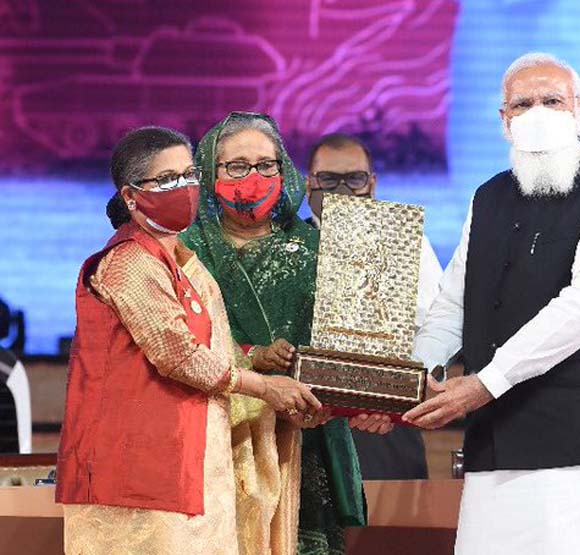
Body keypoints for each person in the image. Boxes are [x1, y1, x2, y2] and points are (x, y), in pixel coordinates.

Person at [404, 53, 580, 554]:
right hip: (499, 444)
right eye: (523, 104)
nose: (538, 113)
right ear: (504, 119)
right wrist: (410, 380)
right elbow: (453, 305)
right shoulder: (488, 198)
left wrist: (485, 383)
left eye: (552, 100)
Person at [56, 126, 320, 555]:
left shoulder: (183, 264)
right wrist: (266, 387)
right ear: (131, 196)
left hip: (190, 461)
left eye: (188, 175)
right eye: (166, 179)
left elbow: (219, 355)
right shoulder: (129, 263)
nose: (183, 188)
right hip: (136, 474)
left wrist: (279, 395)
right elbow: (178, 355)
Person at [182, 112, 391, 555]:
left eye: (266, 165)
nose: (253, 177)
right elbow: (175, 345)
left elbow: (354, 346)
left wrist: (364, 399)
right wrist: (251, 355)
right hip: (219, 440)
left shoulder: (318, 246)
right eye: (237, 166)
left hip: (306, 438)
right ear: (209, 173)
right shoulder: (185, 251)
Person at [305, 133, 443, 479]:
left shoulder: (407, 244)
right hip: (303, 424)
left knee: (392, 515)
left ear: (372, 183)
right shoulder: (287, 245)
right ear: (309, 185)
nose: (343, 190)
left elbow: (436, 325)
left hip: (386, 425)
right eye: (329, 180)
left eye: (354, 179)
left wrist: (398, 393)